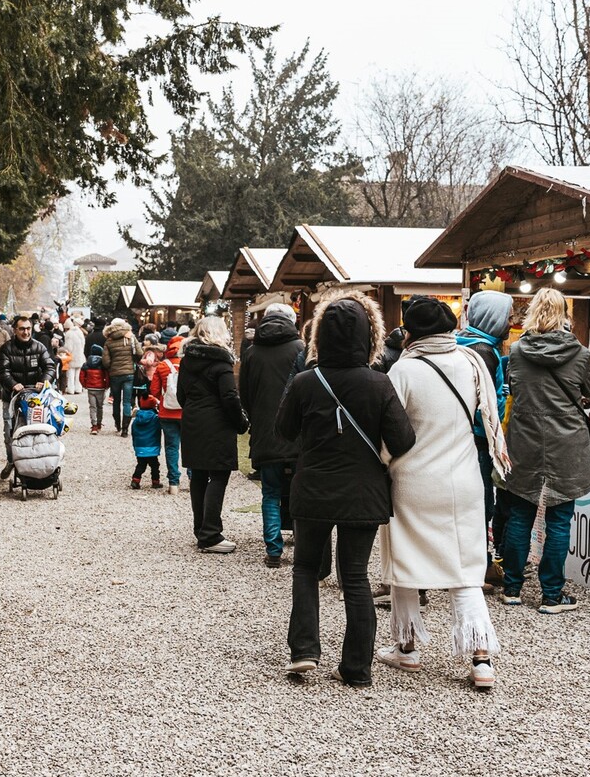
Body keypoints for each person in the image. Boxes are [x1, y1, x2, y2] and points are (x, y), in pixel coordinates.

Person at [279, 294, 416, 686]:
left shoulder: (306, 382)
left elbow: (283, 431)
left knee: (306, 568)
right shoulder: (379, 383)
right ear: (369, 335)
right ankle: (356, 667)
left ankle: (304, 650)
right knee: (354, 576)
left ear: (319, 335)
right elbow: (403, 439)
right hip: (363, 491)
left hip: (314, 488)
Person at [379, 297, 511, 691]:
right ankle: (481, 659)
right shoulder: (470, 363)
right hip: (465, 478)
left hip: (412, 480)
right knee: (465, 569)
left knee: (405, 563)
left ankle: (407, 647)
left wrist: (383, 460)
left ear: (411, 332)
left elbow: (391, 430)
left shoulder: (403, 370)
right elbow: (486, 413)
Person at [497, 286, 590, 613]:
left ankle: (512, 587)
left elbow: (513, 387)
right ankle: (552, 594)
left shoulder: (516, 352)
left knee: (520, 514)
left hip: (524, 440)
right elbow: (588, 396)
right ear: (564, 315)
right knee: (559, 519)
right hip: (566, 442)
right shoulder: (580, 354)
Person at [240, 302, 305, 567]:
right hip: (298, 432)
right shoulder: (301, 349)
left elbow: (244, 393)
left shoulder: (253, 352)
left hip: (266, 431)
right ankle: (302, 544)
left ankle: (274, 550)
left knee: (270, 492)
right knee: (301, 491)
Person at [456, 289, 514, 584]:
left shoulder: (462, 344)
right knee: (481, 505)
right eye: (507, 316)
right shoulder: (485, 353)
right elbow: (485, 406)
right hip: (479, 439)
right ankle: (481, 567)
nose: (510, 322)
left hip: (460, 437)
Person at [176, 316, 248, 553]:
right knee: (218, 476)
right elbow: (229, 397)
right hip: (216, 423)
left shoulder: (187, 360)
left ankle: (201, 529)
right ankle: (210, 534)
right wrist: (241, 422)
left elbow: (181, 394)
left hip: (193, 420)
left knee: (198, 476)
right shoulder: (222, 362)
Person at [0, 314, 56, 479]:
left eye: (28, 328)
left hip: (35, 398)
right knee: (10, 431)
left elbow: (50, 367)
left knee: (37, 431)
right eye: (22, 329)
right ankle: (11, 460)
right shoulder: (6, 349)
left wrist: (44, 381)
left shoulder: (39, 347)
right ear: (15, 330)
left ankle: (37, 465)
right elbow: (2, 371)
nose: (25, 332)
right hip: (12, 397)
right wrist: (12, 384)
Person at [151, 335, 186, 494]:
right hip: (188, 412)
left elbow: (154, 391)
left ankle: (174, 483)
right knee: (190, 446)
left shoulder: (162, 366)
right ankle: (193, 478)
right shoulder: (189, 365)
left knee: (171, 447)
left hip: (167, 412)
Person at [131, 347, 163, 488]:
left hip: (140, 448)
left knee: (141, 465)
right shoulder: (155, 418)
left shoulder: (137, 418)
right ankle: (155, 482)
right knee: (155, 466)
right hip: (152, 448)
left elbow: (134, 433)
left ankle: (135, 480)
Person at [102, 318, 141, 436]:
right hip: (129, 373)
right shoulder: (130, 337)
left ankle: (117, 424)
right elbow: (139, 353)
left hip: (115, 374)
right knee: (127, 402)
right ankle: (125, 429)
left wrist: (111, 366)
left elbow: (106, 362)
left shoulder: (109, 340)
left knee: (116, 400)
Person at [80, 343, 109, 435]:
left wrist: (85, 384)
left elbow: (81, 376)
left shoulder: (86, 364)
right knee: (100, 407)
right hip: (100, 388)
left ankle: (94, 425)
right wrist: (106, 385)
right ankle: (99, 423)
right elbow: (107, 376)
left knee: (92, 407)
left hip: (90, 388)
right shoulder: (102, 364)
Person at [63, 321, 86, 394]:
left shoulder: (69, 334)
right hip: (80, 355)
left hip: (72, 356)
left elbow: (69, 347)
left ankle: (71, 389)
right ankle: (78, 388)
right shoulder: (80, 332)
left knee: (71, 374)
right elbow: (83, 344)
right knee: (78, 374)